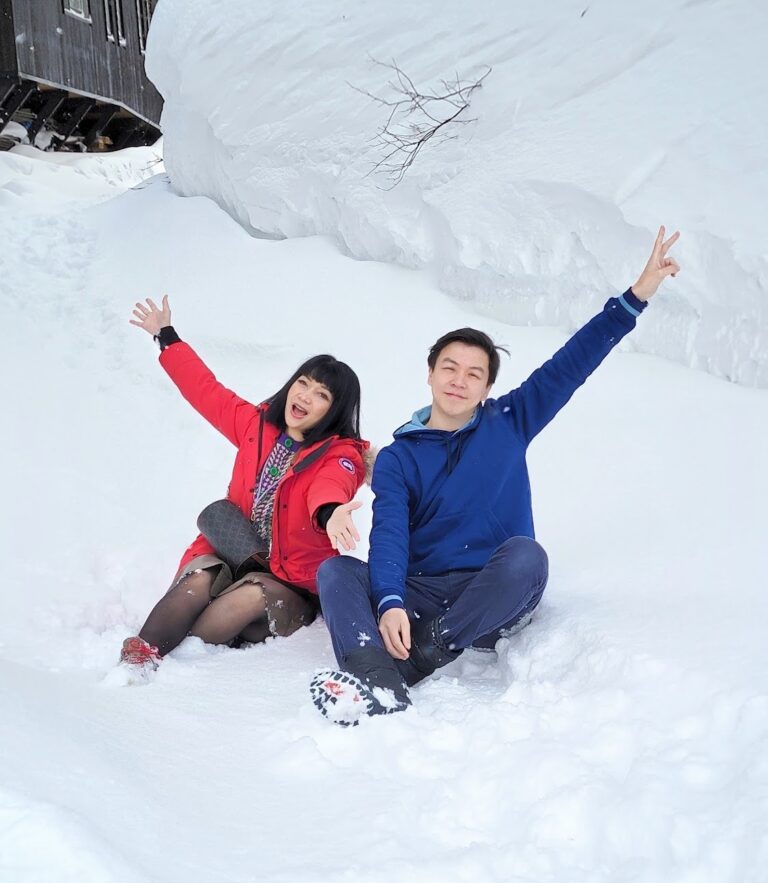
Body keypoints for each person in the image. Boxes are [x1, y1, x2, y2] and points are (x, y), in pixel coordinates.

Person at [313, 226, 681, 725]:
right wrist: (392, 603)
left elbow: (571, 364)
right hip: (422, 594)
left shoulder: (510, 421)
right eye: (450, 368)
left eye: (474, 374)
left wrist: (635, 297)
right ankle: (372, 675)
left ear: (487, 388)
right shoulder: (399, 456)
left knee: (527, 556)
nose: (459, 381)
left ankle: (416, 660)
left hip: (491, 597)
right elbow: (391, 534)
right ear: (430, 373)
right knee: (337, 572)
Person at [119, 295, 369, 677]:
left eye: (321, 395)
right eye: (303, 383)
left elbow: (332, 483)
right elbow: (206, 390)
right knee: (196, 583)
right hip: (233, 551)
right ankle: (140, 656)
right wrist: (166, 337)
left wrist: (330, 512)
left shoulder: (339, 453)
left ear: (334, 410)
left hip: (288, 580)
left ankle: (180, 660)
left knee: (243, 602)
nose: (305, 396)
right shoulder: (256, 425)